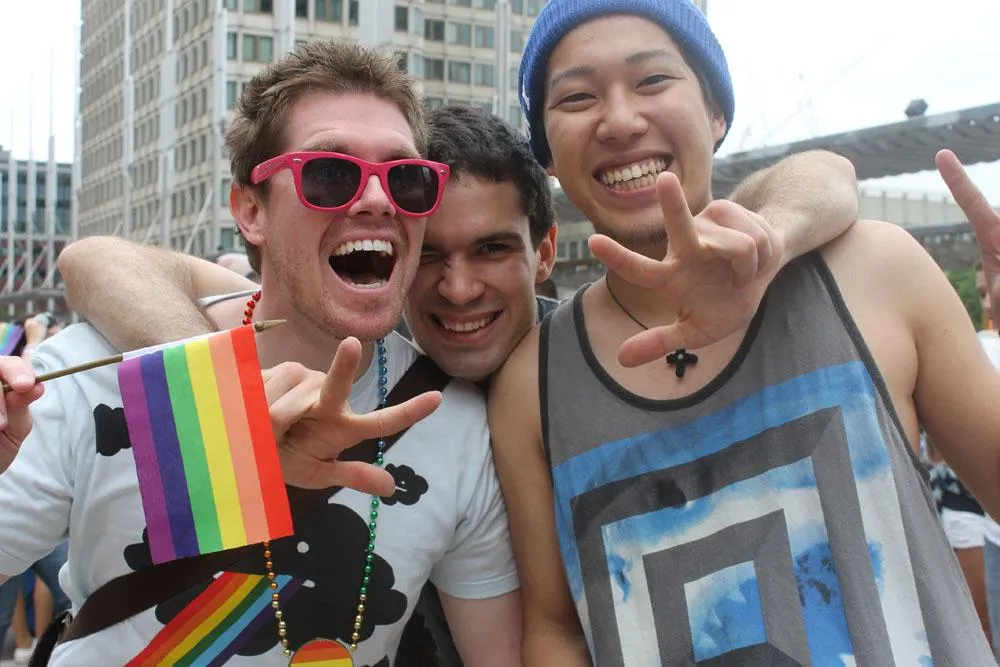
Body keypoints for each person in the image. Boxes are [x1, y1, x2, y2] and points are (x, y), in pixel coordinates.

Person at [54, 106, 861, 667]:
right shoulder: (378, 377)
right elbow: (102, 259)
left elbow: (825, 172)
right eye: (430, 255)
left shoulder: (605, 359)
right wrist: (229, 400)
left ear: (545, 252)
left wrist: (769, 240)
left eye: (492, 250)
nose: (459, 287)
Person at [488, 0, 1000, 664]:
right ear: (548, 154)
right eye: (578, 97)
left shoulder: (876, 270)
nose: (619, 120)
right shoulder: (532, 383)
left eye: (653, 80)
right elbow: (555, 626)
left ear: (716, 113)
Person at [0, 40, 522, 666]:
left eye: (405, 177)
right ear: (251, 210)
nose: (378, 199)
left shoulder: (454, 422)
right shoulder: (98, 374)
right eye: (329, 173)